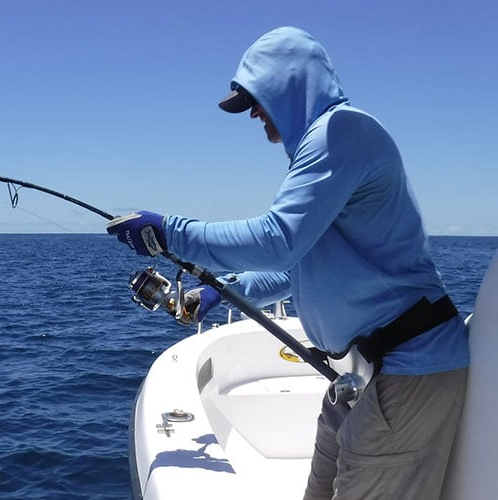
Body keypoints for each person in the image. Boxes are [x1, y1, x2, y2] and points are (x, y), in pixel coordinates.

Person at [107, 26, 469, 500]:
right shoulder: (320, 151)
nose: (255, 112)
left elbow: (277, 240)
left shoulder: (343, 132)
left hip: (408, 369)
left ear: (292, 85)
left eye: (258, 97)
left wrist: (169, 232)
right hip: (363, 371)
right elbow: (292, 265)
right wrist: (219, 290)